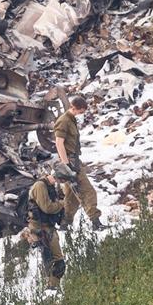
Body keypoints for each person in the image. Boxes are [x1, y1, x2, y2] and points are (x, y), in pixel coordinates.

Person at [53, 95, 105, 230]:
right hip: (70, 162)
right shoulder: (63, 121)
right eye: (81, 111)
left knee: (72, 196)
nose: (82, 114)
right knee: (88, 192)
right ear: (75, 108)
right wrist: (67, 165)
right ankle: (95, 222)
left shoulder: (71, 120)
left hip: (74, 160)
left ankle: (64, 224)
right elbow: (59, 143)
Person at [24, 164, 70, 289]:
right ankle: (51, 288)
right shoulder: (40, 186)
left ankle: (52, 287)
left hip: (48, 227)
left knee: (56, 262)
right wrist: (61, 204)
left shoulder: (50, 186)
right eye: (61, 180)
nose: (60, 183)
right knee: (54, 262)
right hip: (40, 229)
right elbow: (47, 207)